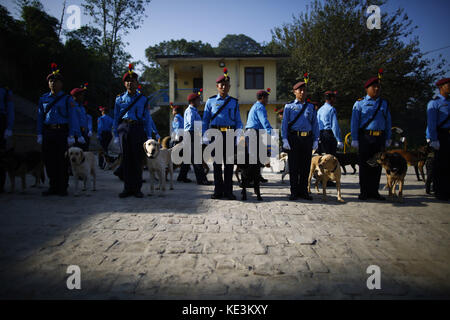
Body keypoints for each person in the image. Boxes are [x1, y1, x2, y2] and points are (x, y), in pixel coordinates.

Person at [37, 62, 81, 196]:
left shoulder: (67, 99)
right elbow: (40, 116)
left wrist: (72, 135)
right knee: (49, 160)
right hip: (48, 131)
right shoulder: (43, 98)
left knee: (62, 161)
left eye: (56, 81)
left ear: (61, 84)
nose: (53, 83)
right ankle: (53, 186)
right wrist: (39, 133)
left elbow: (73, 117)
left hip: (62, 132)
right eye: (50, 81)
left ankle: (62, 186)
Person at [113, 63, 155, 198]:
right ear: (124, 84)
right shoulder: (119, 99)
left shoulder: (143, 99)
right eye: (127, 81)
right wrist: (115, 134)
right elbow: (115, 117)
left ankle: (137, 188)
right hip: (124, 128)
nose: (130, 83)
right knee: (126, 159)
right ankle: (127, 188)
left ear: (137, 83)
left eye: (133, 81)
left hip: (137, 128)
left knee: (137, 159)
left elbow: (147, 118)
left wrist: (149, 135)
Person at [202, 68, 243, 200]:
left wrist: (238, 135)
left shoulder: (234, 102)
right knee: (217, 164)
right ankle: (218, 191)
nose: (224, 87)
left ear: (229, 86)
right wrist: (204, 136)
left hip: (230, 134)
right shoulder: (210, 101)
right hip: (215, 134)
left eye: (226, 85)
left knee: (229, 165)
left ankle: (229, 191)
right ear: (217, 86)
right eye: (222, 85)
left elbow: (238, 121)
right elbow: (205, 120)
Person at [351, 76, 392, 201]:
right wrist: (355, 138)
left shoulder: (383, 103)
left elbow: (388, 121)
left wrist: (388, 137)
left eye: (378, 87)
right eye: (373, 87)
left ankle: (374, 191)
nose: (376, 89)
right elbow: (355, 122)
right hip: (365, 137)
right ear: (367, 89)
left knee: (377, 165)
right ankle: (364, 192)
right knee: (364, 165)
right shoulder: (360, 103)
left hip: (379, 137)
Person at [281, 80, 319, 201]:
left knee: (305, 167)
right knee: (294, 167)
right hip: (294, 138)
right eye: (300, 90)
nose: (302, 92)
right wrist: (285, 139)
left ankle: (304, 191)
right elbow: (284, 125)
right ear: (294, 92)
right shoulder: (289, 107)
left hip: (307, 139)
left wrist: (315, 140)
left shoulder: (311, 107)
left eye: (304, 90)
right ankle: (294, 192)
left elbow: (315, 124)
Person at [426, 77, 450, 201]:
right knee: (441, 164)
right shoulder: (434, 103)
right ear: (441, 87)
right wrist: (433, 139)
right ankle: (439, 190)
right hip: (442, 135)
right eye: (448, 85)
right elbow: (432, 123)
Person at [181, 92, 211, 185]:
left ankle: (182, 177)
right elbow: (191, 123)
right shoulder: (190, 111)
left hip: (190, 134)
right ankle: (202, 180)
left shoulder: (193, 110)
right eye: (198, 100)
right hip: (192, 133)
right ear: (192, 101)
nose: (199, 102)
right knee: (197, 158)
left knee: (188, 157)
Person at [245, 88, 274, 184]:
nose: (267, 101)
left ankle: (256, 176)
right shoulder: (260, 107)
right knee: (254, 158)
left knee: (258, 156)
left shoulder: (256, 106)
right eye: (266, 98)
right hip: (254, 133)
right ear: (262, 98)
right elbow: (264, 121)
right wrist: (271, 133)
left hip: (253, 132)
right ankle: (247, 180)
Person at [317, 90, 343, 156]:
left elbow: (317, 124)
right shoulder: (331, 109)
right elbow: (334, 126)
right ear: (331, 98)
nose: (335, 100)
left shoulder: (320, 110)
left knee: (324, 157)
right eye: (334, 98)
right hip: (329, 135)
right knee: (331, 158)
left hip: (321, 135)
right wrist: (339, 140)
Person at [171, 105, 191, 182]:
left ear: (175, 111)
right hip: (183, 139)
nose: (172, 111)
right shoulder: (181, 118)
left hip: (179, 139)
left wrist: (178, 139)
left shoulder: (177, 118)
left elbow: (178, 128)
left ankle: (181, 176)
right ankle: (182, 176)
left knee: (178, 158)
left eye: (173, 110)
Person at [0, 85, 14, 193]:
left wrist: (9, 127)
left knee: (1, 156)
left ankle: (1, 185)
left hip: (1, 120)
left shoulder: (5, 91)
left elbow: (10, 108)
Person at [70, 83, 88, 150]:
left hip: (83, 133)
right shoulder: (73, 106)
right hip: (76, 134)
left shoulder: (82, 107)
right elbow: (74, 121)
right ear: (75, 96)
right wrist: (79, 135)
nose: (83, 97)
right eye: (81, 95)